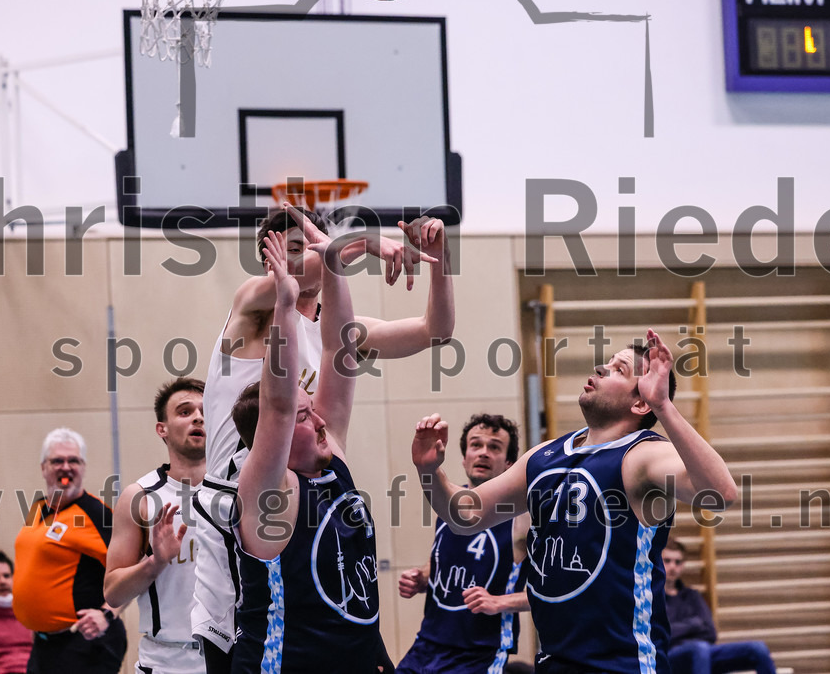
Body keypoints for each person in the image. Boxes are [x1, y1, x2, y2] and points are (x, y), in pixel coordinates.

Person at [191, 205, 454, 672]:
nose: (305, 257)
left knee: (338, 615)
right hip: (241, 498)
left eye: (309, 245)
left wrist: (437, 261)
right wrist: (368, 243)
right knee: (243, 640)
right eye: (292, 249)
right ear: (268, 259)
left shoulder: (341, 333)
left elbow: (436, 331)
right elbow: (320, 268)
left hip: (306, 487)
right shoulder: (254, 303)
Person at [411, 331, 738, 674]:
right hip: (553, 659)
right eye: (607, 362)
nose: (601, 367)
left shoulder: (643, 455)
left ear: (640, 402)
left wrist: (664, 406)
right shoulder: (545, 455)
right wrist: (429, 471)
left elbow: (720, 494)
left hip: (622, 663)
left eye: (618, 369)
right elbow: (467, 515)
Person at [229, 228, 380, 672]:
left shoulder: (331, 460)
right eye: (303, 416)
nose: (320, 422)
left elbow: (338, 350)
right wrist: (285, 304)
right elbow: (277, 403)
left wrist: (333, 265)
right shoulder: (270, 492)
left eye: (312, 410)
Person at [397, 413, 531, 674]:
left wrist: (500, 602)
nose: (483, 453)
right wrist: (422, 577)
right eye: (476, 445)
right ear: (464, 456)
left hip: (480, 654)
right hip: (427, 645)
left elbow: (555, 592)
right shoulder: (448, 505)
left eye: (494, 447)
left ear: (509, 463)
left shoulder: (521, 517)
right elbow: (444, 559)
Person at [104, 377, 207, 674]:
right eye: (185, 411)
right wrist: (155, 562)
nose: (198, 417)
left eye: (204, 410)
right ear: (162, 429)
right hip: (166, 662)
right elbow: (113, 593)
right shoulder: (141, 497)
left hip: (232, 657)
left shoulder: (237, 488)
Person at [13, 428, 126, 674]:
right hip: (44, 646)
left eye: (73, 460)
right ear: (44, 468)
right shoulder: (38, 508)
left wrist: (107, 614)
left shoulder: (97, 514)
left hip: (85, 646)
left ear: (83, 467)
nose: (66, 467)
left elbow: (134, 569)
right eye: (57, 461)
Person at [662, 538, 776, 674]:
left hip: (704, 654)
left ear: (683, 565)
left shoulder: (692, 596)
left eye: (678, 562)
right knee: (700, 648)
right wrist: (694, 624)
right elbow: (661, 636)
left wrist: (678, 628)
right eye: (667, 561)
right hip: (670, 659)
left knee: (758, 648)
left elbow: (711, 632)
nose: (673, 566)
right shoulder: (652, 598)